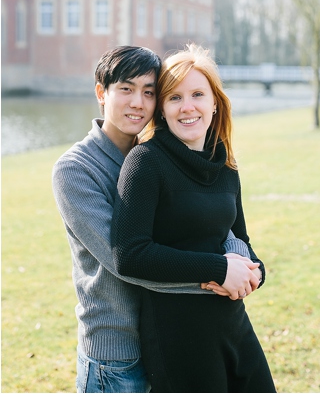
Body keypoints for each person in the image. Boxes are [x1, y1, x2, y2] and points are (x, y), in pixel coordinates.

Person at [52, 46, 256, 393]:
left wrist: (240, 258)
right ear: (102, 93)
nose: (138, 103)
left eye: (149, 92)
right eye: (126, 89)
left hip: (164, 339)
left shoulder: (154, 157)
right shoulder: (75, 170)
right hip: (116, 356)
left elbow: (200, 230)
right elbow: (127, 261)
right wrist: (222, 273)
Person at [111, 44, 275, 392]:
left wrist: (256, 272)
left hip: (232, 325)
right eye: (174, 98)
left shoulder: (225, 164)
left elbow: (241, 239)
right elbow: (129, 255)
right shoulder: (145, 163)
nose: (188, 107)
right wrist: (218, 269)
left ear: (215, 103)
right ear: (163, 110)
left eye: (198, 94)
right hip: (178, 336)